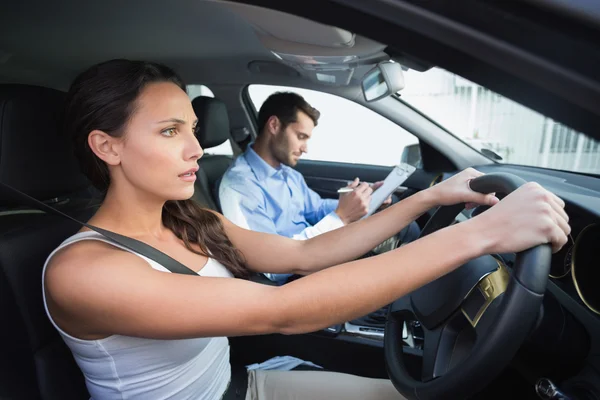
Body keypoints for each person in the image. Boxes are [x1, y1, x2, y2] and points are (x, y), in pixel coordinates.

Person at [43, 59, 570, 400]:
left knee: (399, 395)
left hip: (238, 387)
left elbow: (304, 255)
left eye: (193, 130)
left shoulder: (189, 221)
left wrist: (432, 199)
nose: (196, 150)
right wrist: (477, 236)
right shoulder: (84, 272)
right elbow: (284, 312)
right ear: (106, 147)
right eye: (169, 131)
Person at [219, 92, 419, 284]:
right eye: (301, 136)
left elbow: (315, 209)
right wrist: (341, 217)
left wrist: (358, 202)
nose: (305, 148)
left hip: (317, 253)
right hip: (296, 277)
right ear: (274, 125)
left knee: (403, 227)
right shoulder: (241, 185)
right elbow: (272, 266)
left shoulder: (288, 174)